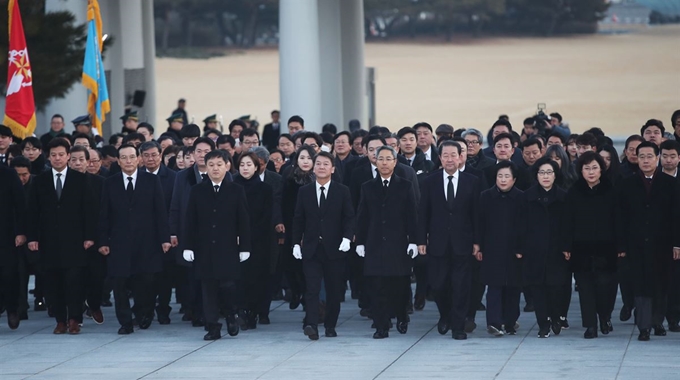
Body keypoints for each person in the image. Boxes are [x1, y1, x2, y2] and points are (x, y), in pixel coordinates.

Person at [98, 144, 171, 334]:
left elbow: (160, 212)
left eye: (132, 157)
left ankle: (143, 314)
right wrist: (104, 241)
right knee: (120, 284)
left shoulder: (151, 181)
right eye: (124, 158)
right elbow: (104, 214)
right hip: (119, 242)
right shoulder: (110, 182)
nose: (128, 161)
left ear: (138, 159)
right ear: (119, 161)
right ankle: (125, 322)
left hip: (147, 241)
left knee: (145, 282)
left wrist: (164, 238)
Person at [27, 138, 96, 334]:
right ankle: (59, 320)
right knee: (53, 283)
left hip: (75, 240)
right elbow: (32, 212)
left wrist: (90, 236)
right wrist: (32, 237)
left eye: (61, 155)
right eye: (54, 155)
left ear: (68, 156)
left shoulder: (80, 179)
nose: (57, 158)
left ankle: (74, 319)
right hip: (49, 241)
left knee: (74, 281)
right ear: (48, 157)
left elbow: (89, 210)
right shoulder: (40, 181)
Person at [182, 149, 251, 340]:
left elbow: (243, 220)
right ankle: (213, 326)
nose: (215, 169)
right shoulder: (197, 190)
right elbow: (190, 220)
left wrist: (245, 247)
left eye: (219, 165)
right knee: (208, 289)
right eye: (211, 165)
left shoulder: (236, 190)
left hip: (227, 248)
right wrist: (187, 246)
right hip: (204, 249)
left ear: (227, 166)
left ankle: (231, 314)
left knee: (228, 286)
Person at [617, 141, 680, 341]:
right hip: (635, 244)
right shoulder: (627, 183)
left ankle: (657, 321)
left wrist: (677, 243)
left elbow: (676, 215)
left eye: (649, 156)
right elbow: (620, 218)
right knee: (641, 285)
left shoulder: (670, 184)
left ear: (657, 158)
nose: (645, 160)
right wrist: (621, 246)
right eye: (641, 156)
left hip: (662, 244)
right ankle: (644, 327)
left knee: (661, 284)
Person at [417, 141, 481, 340]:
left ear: (461, 157)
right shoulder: (430, 181)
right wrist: (421, 240)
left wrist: (477, 241)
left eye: (454, 155)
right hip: (437, 243)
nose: (450, 159)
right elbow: (423, 214)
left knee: (461, 285)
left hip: (463, 242)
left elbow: (477, 215)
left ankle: (458, 326)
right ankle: (445, 315)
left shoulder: (472, 181)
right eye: (445, 155)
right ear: (440, 157)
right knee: (438, 284)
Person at [292, 151, 355, 340]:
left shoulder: (342, 191)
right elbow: (298, 219)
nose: (321, 167)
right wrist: (296, 243)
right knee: (311, 288)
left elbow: (349, 217)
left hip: (335, 249)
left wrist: (347, 238)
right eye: (318, 163)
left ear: (333, 169)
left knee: (334, 289)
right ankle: (311, 324)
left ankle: (330, 324)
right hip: (311, 248)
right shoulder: (304, 191)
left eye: (325, 164)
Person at [356, 145, 417, 339]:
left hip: (398, 244)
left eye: (388, 159)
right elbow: (362, 216)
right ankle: (381, 325)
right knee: (376, 286)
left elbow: (412, 216)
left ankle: (401, 316)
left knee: (398, 285)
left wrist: (414, 241)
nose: (384, 162)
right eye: (380, 158)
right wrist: (360, 241)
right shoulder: (367, 187)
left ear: (395, 162)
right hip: (374, 244)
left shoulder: (405, 185)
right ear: (375, 161)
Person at [563, 151, 618, 339]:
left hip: (607, 248)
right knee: (585, 290)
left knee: (606, 288)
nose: (591, 172)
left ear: (601, 169)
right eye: (587, 168)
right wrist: (567, 246)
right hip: (581, 249)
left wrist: (621, 247)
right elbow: (567, 221)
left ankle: (604, 317)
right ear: (581, 171)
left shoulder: (611, 190)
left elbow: (620, 220)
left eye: (595, 168)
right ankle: (590, 326)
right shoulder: (574, 192)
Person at [170, 137, 224, 327]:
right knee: (191, 275)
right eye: (198, 151)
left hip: (216, 235)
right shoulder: (182, 176)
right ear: (192, 154)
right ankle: (195, 310)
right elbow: (176, 205)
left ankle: (212, 312)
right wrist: (173, 232)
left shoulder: (223, 174)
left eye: (206, 151)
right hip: (190, 233)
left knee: (212, 275)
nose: (202, 155)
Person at [521, 157, 570, 338]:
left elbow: (568, 225)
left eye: (549, 172)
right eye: (542, 172)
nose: (546, 176)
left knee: (556, 287)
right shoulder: (527, 197)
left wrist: (567, 247)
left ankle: (556, 317)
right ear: (536, 175)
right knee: (538, 288)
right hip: (534, 250)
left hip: (557, 250)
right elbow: (521, 225)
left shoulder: (564, 197)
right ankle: (543, 323)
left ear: (555, 175)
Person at [478, 161, 524, 336]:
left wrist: (521, 248)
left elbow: (525, 226)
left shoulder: (521, 198)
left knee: (513, 287)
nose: (503, 180)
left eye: (507, 176)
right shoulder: (485, 196)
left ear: (514, 179)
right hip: (492, 248)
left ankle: (510, 322)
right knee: (494, 287)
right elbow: (480, 224)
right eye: (500, 176)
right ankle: (494, 322)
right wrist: (479, 246)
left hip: (514, 250)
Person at [232, 152, 273, 330]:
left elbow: (266, 216)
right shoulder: (231, 186)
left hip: (259, 240)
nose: (245, 168)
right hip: (235, 239)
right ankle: (240, 311)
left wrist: (249, 234)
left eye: (249, 164)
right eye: (242, 165)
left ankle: (254, 312)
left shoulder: (265, 189)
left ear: (256, 167)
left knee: (256, 277)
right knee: (238, 278)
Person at [140, 141, 177, 324]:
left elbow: (174, 208)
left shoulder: (172, 177)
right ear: (141, 157)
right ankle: (146, 311)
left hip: (166, 235)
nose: (151, 159)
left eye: (154, 154)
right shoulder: (137, 177)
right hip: (143, 236)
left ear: (160, 155)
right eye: (146, 155)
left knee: (164, 277)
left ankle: (163, 309)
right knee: (145, 278)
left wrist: (171, 233)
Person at [281, 145, 316, 310]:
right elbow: (284, 206)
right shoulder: (289, 179)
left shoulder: (319, 179)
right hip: (292, 226)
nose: (305, 161)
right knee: (292, 265)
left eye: (309, 158)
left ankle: (308, 298)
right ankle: (296, 291)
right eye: (302, 158)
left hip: (314, 229)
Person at [0, 161, 27, 330]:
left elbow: (20, 205)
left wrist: (21, 232)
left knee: (9, 274)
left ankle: (12, 309)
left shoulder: (8, 174)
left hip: (6, 235)